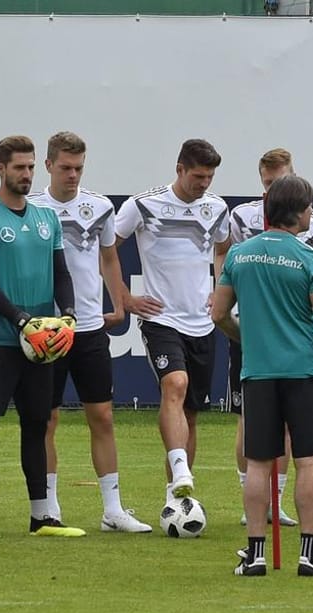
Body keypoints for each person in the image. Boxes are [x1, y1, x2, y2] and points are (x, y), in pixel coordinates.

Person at [213, 175, 313, 577]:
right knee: (307, 462)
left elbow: (218, 315)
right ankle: (310, 554)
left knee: (258, 464)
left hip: (258, 371)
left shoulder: (239, 255)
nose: (312, 214)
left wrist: (248, 339)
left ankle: (254, 555)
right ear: (298, 211)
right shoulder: (309, 258)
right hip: (303, 370)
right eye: (310, 208)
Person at [0, 135, 80, 540]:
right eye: (18, 168)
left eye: (30, 167)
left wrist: (67, 315)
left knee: (36, 424)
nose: (26, 175)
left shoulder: (47, 218)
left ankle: (41, 517)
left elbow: (61, 273)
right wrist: (20, 319)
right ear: (1, 169)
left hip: (41, 344)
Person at [28, 132, 150, 533]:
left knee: (102, 416)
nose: (73, 175)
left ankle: (112, 510)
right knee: (46, 421)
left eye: (79, 168)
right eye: (65, 167)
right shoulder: (29, 208)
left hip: (90, 329)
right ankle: (48, 506)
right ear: (48, 166)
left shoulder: (98, 207)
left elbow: (109, 257)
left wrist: (119, 303)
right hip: (47, 330)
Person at [115, 139, 230, 500]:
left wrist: (220, 287)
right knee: (175, 385)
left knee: (191, 414)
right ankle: (180, 469)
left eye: (210, 176)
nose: (204, 183)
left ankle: (177, 496)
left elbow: (223, 249)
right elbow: (106, 248)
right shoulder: (143, 205)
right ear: (179, 169)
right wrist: (124, 297)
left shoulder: (217, 208)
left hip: (202, 321)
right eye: (198, 176)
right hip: (161, 318)